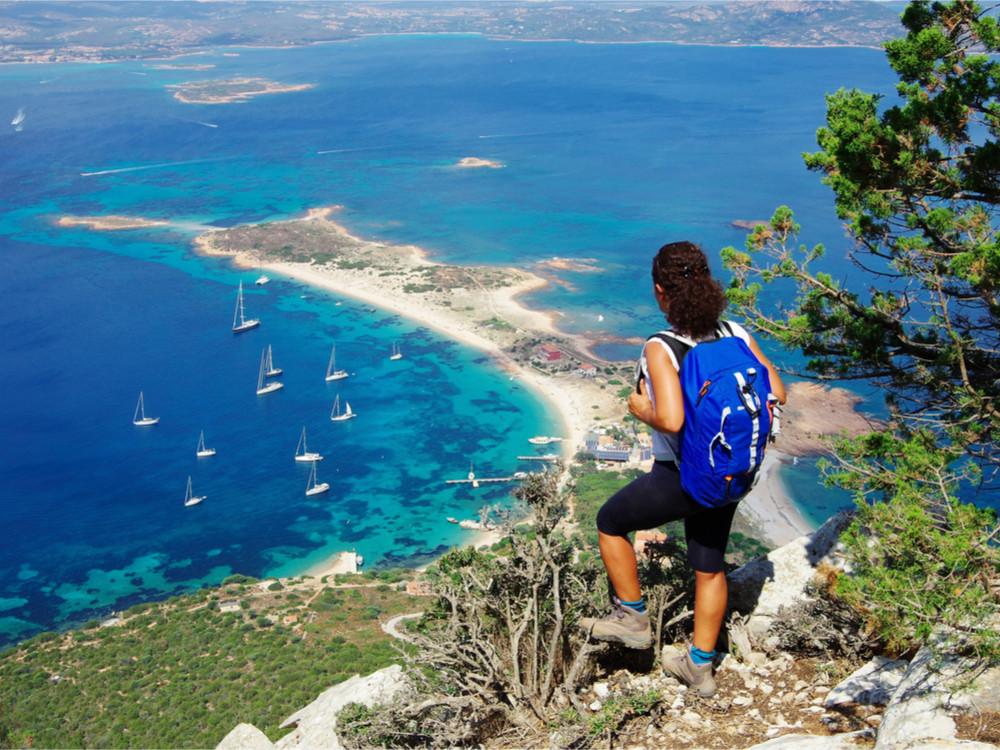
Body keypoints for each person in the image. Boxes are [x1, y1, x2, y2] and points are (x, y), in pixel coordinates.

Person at [579, 240, 786, 698]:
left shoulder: (664, 347)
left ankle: (631, 616)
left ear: (660, 291)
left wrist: (640, 409)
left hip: (682, 476)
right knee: (708, 568)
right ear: (710, 284)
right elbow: (778, 392)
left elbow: (671, 420)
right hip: (732, 475)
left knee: (610, 522)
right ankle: (699, 667)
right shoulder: (735, 332)